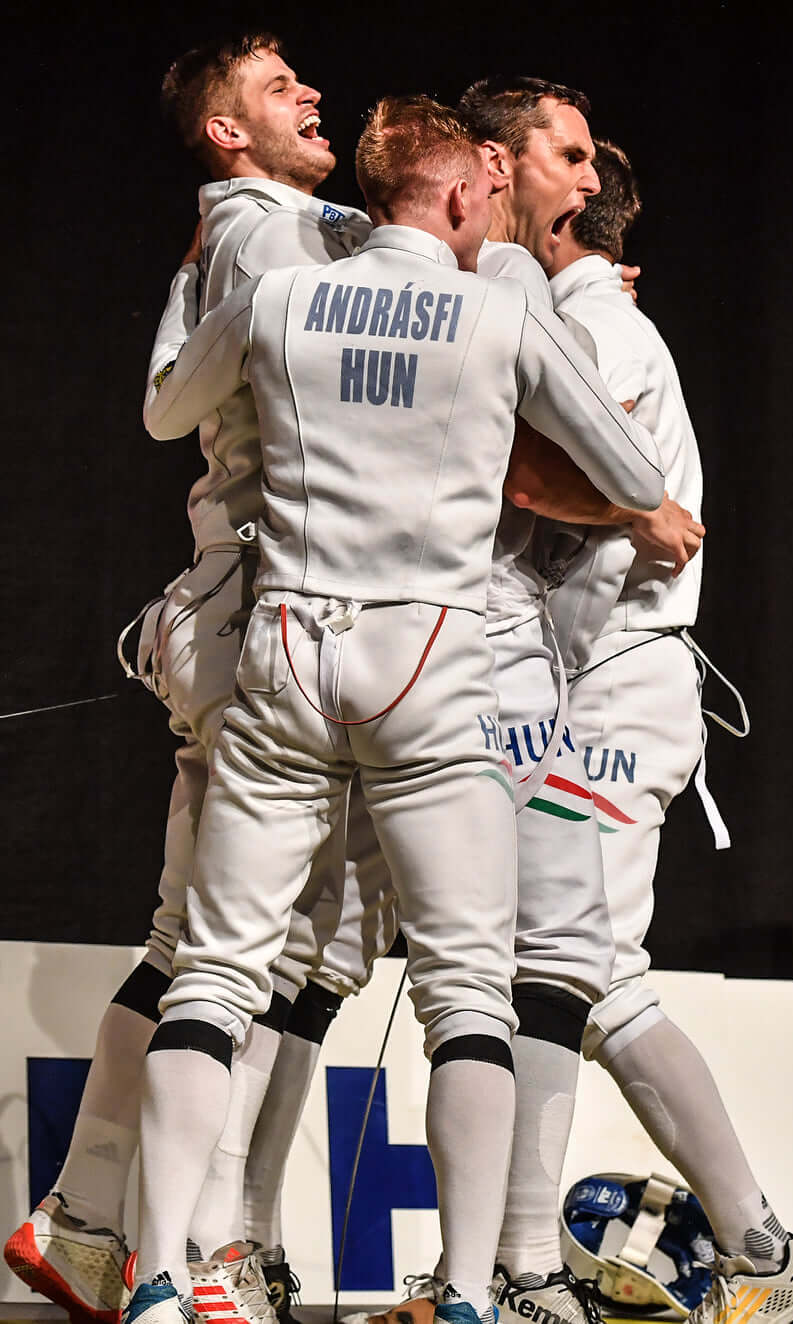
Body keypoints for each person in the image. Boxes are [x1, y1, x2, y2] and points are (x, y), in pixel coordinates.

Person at [126, 93, 663, 1324]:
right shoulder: (500, 309)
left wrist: (203, 288)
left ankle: (157, 1279)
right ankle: (467, 1291)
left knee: (214, 974)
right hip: (428, 662)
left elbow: (164, 411)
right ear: (463, 194)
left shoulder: (276, 297)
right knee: (467, 992)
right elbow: (635, 478)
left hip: (288, 652)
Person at [5, 34, 392, 1324]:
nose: (313, 94)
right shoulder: (268, 237)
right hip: (276, 615)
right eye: (280, 88)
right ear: (227, 131)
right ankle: (206, 1250)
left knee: (197, 943)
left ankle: (84, 1218)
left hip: (239, 613)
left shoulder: (248, 231)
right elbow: (225, 408)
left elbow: (173, 391)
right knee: (251, 954)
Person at [512, 137, 793, 1324]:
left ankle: (534, 1266)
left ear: (563, 218)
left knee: (563, 972)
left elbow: (549, 491)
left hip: (608, 687)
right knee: (585, 978)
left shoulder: (598, 332)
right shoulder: (585, 320)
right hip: (607, 686)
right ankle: (755, 1249)